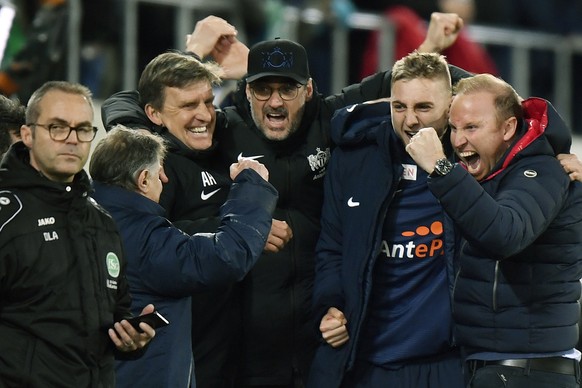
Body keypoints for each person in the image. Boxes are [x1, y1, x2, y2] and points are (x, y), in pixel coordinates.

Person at [101, 13, 468, 388]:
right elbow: (131, 108)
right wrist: (192, 54)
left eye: (287, 89)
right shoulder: (218, 132)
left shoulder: (331, 119)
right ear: (246, 90)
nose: (275, 101)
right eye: (263, 89)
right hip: (238, 353)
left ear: (308, 90)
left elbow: (409, 86)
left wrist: (435, 48)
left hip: (321, 342)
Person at [406, 73, 582, 388]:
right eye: (455, 128)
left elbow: (505, 234)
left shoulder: (543, 171)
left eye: (472, 127)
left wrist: (442, 169)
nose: (458, 141)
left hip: (525, 373)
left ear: (508, 128)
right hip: (499, 369)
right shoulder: (490, 176)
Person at [308, 51, 467, 388]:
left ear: (451, 105)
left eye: (424, 108)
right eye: (399, 107)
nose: (410, 121)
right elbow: (333, 246)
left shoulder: (473, 160)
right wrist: (331, 304)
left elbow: (525, 116)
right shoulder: (355, 158)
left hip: (442, 365)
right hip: (363, 360)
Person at [89, 125, 278, 388]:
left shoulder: (82, 219)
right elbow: (228, 256)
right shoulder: (144, 236)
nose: (165, 180)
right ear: (143, 180)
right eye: (159, 173)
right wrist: (252, 186)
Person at [0, 81, 155, 387]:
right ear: (28, 134)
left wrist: (131, 340)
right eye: (57, 127)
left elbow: (118, 310)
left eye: (83, 129)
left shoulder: (101, 220)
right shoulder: (7, 217)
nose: (72, 139)